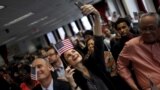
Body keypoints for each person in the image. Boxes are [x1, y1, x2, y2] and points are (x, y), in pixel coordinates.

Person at [55, 4, 115, 90]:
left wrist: (97, 16)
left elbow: (98, 40)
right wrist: (72, 83)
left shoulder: (92, 61)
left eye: (73, 51)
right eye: (68, 56)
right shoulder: (73, 78)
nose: (73, 54)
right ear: (67, 63)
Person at [117, 12, 160, 90]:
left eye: (151, 28)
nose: (147, 32)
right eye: (144, 29)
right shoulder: (132, 45)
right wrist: (133, 86)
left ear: (158, 28)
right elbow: (121, 65)